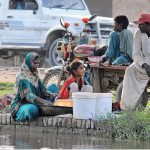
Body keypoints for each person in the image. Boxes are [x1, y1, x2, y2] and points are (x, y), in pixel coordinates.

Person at [10, 52, 53, 122]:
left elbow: (43, 90)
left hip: (36, 101)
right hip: (22, 105)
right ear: (28, 63)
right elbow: (28, 96)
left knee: (53, 88)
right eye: (34, 63)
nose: (36, 66)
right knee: (32, 110)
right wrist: (44, 102)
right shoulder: (22, 78)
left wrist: (53, 94)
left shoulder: (35, 74)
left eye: (38, 64)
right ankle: (40, 109)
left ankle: (42, 108)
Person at [120, 13, 150, 110]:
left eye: (141, 24)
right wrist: (144, 65)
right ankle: (127, 107)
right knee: (129, 70)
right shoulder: (139, 33)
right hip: (143, 63)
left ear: (148, 24)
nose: (139, 26)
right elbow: (135, 53)